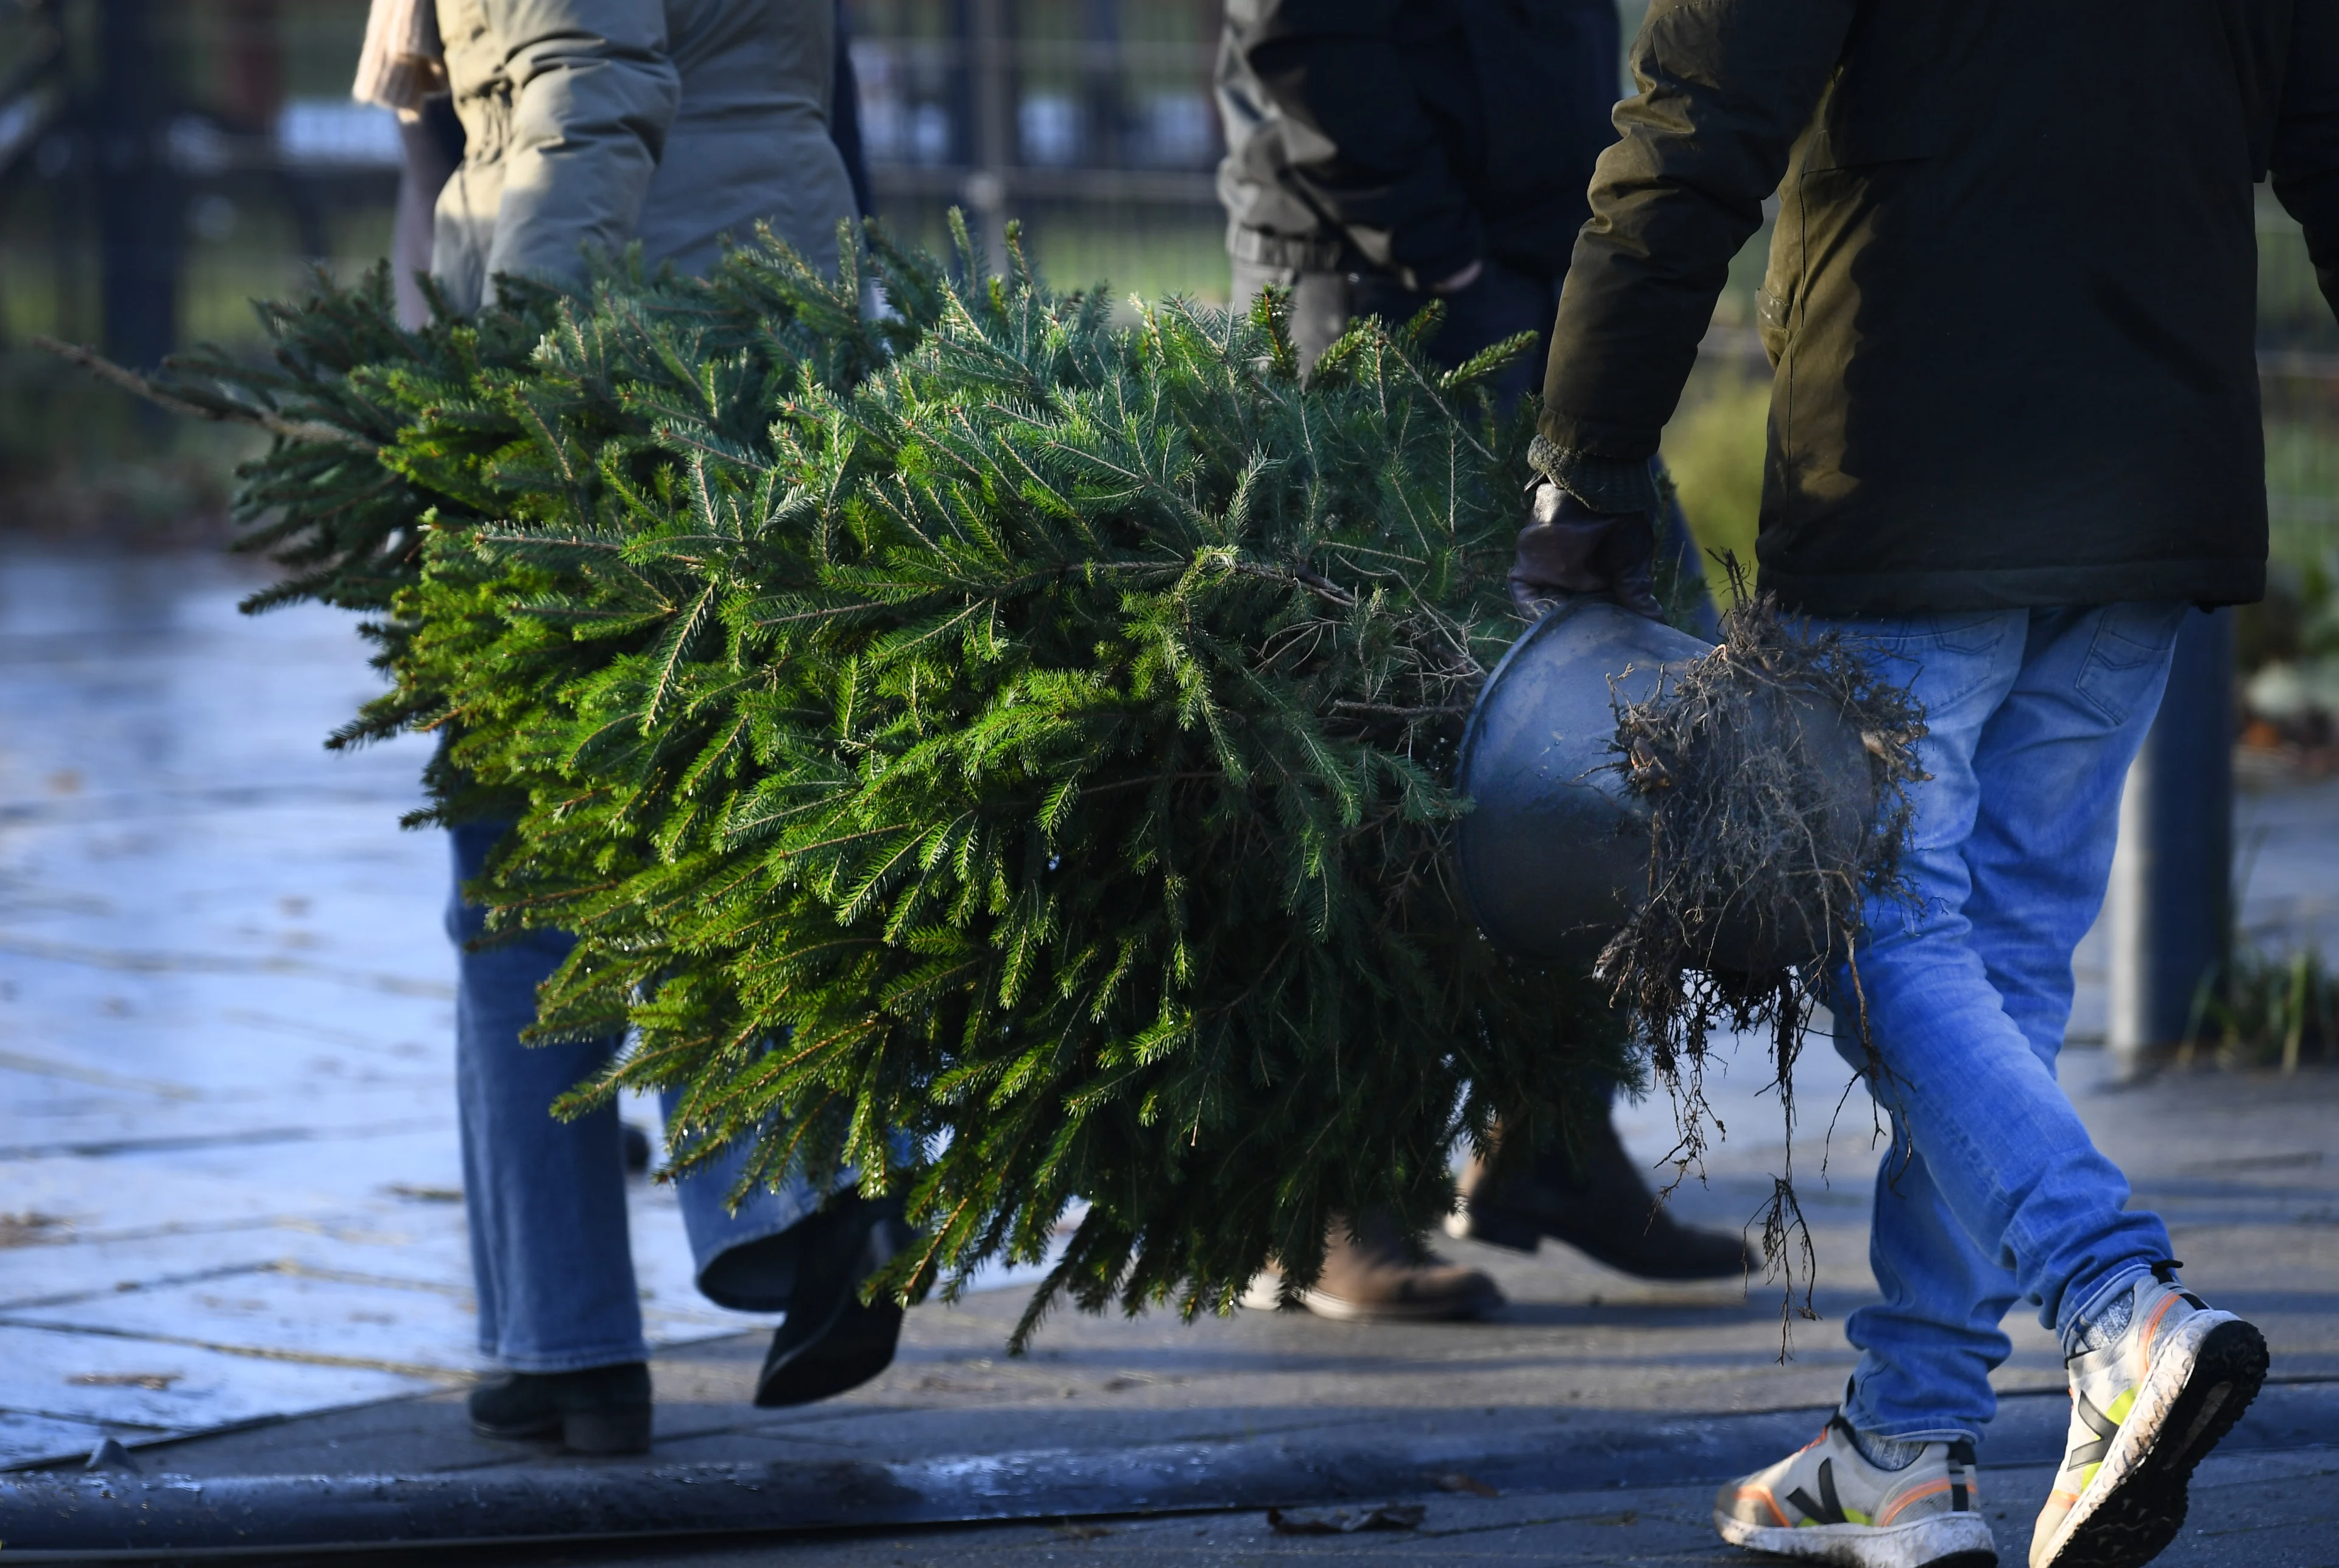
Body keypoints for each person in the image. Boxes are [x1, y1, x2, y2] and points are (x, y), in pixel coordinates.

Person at [1514, 2, 2328, 1563]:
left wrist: (1589, 449)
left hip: (1911, 472)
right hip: (2156, 472)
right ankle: (1909, 1438)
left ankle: (2116, 1303)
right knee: (1998, 962)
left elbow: (1693, 124)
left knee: (1878, 935)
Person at [355, 0, 904, 1457]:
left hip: (626, 349)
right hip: (753, 308)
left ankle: (581, 1334)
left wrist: (518, 420)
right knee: (731, 783)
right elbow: (447, 137)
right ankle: (813, 1196)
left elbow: (579, 104)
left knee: (524, 851)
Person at [1213, 0, 1746, 1325]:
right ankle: (1325, 1192)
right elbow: (1296, 32)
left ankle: (1551, 1132)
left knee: (1627, 697)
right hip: (1373, 285)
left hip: (1522, 263)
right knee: (1368, 744)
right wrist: (1438, 253)